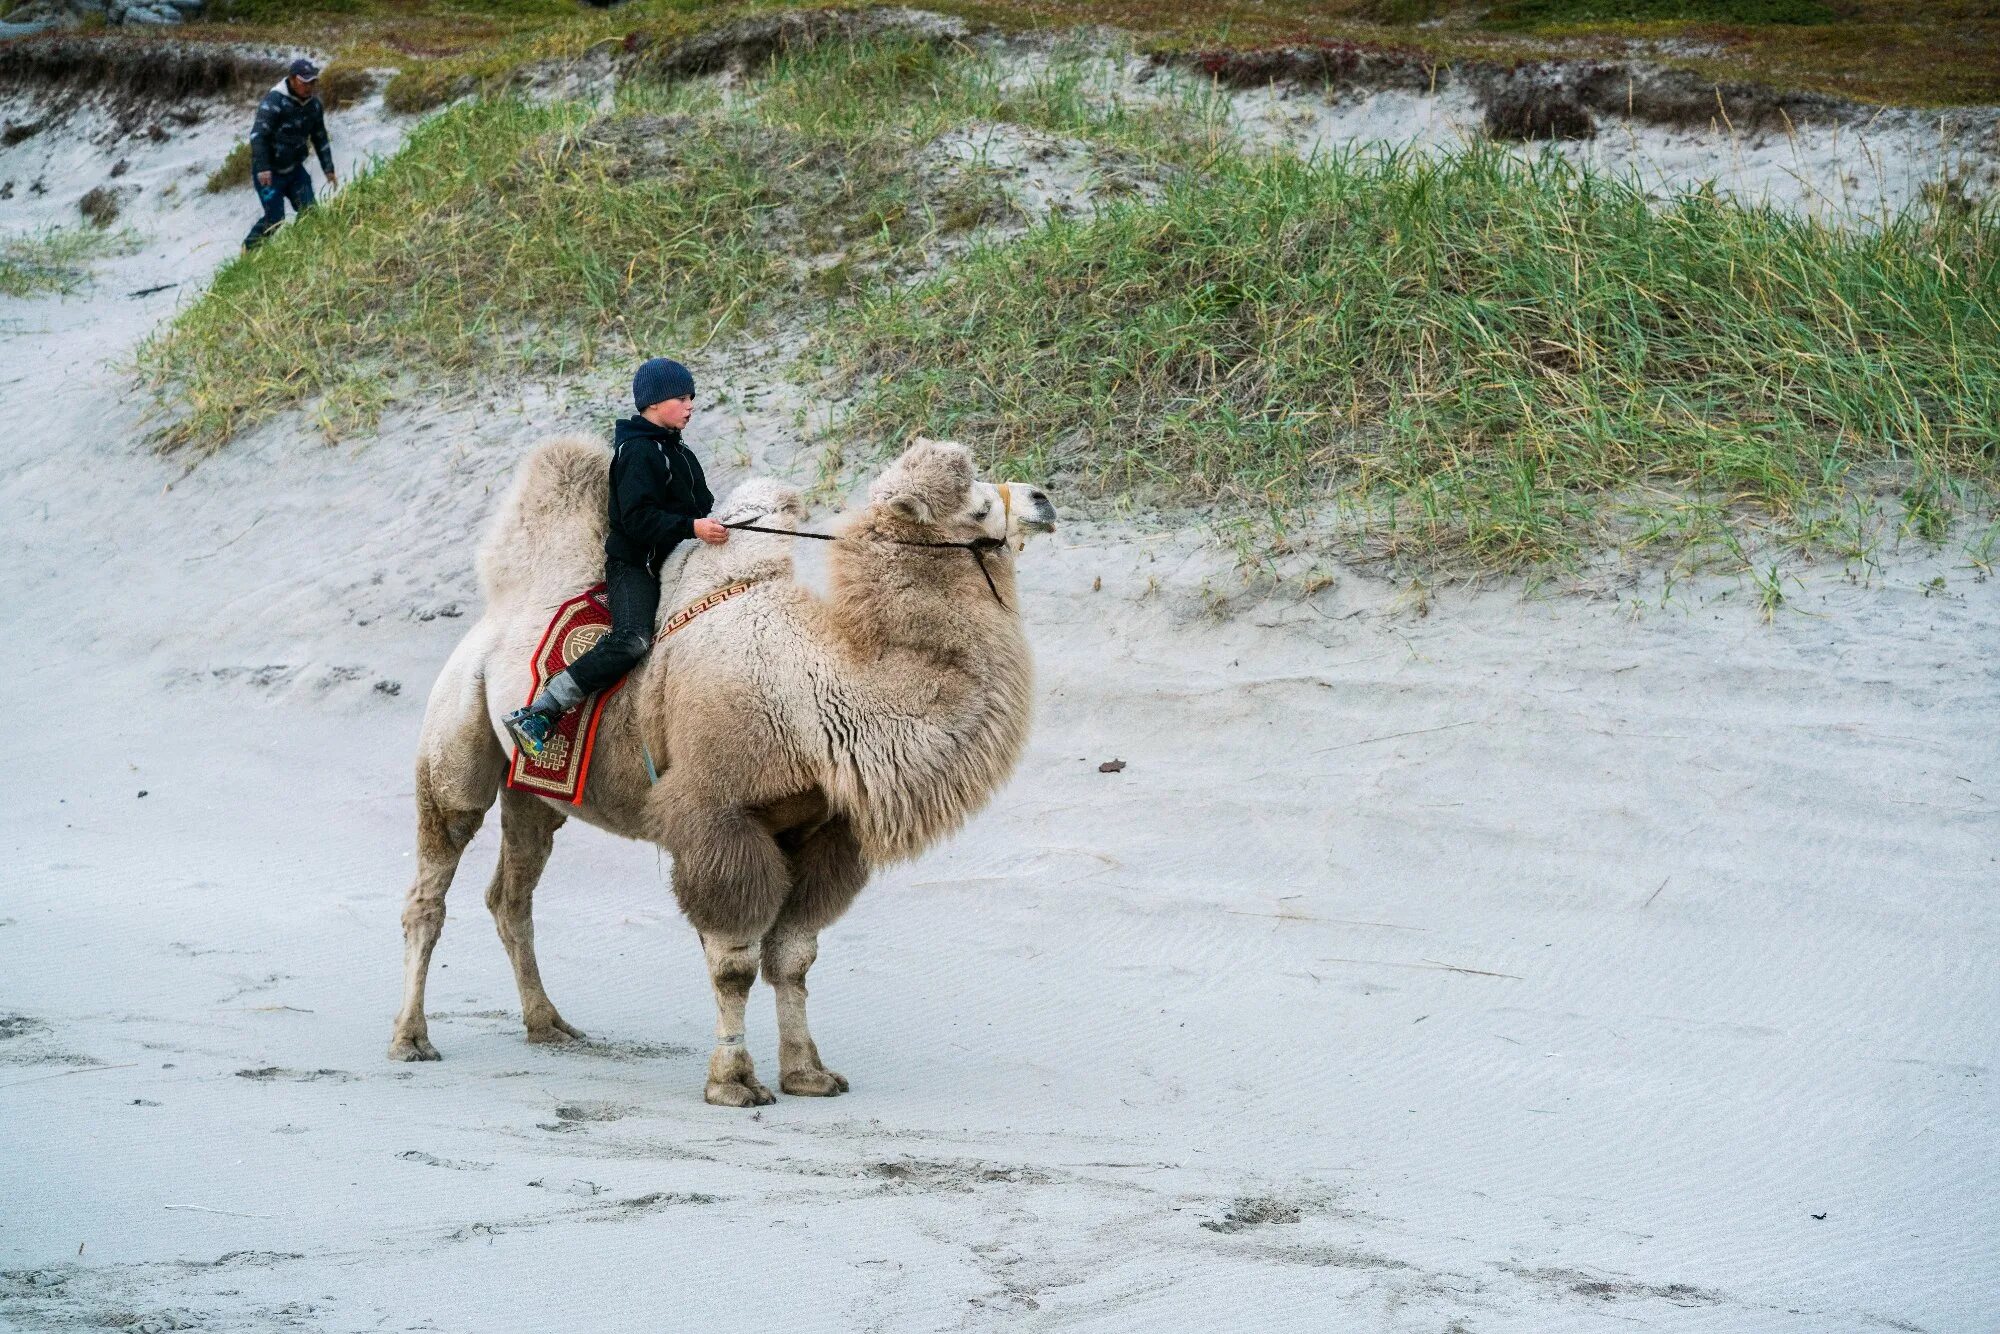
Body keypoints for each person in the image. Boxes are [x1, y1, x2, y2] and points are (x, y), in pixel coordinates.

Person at [504, 358, 727, 760]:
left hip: (679, 555)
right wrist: (692, 528)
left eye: (692, 396)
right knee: (633, 640)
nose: (690, 404)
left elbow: (700, 503)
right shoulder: (638, 452)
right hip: (636, 565)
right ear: (656, 402)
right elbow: (638, 520)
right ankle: (543, 710)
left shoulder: (677, 450)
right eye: (681, 397)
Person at [243, 57, 338, 251]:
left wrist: (328, 168)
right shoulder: (274, 102)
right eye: (304, 82)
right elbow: (257, 136)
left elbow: (319, 136)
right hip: (270, 173)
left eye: (312, 82)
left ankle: (304, 250)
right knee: (275, 219)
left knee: (310, 212)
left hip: (295, 171)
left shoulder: (314, 106)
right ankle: (248, 250)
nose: (308, 87)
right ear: (293, 79)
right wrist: (263, 168)